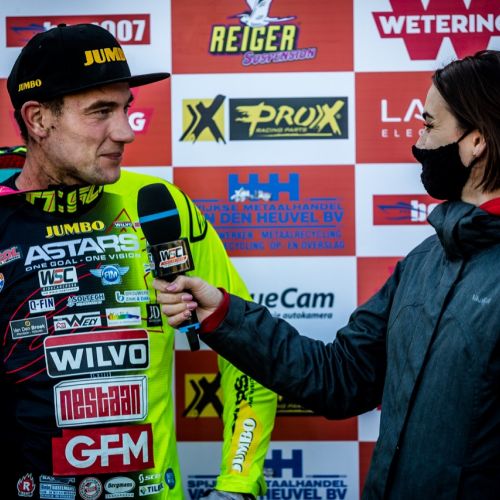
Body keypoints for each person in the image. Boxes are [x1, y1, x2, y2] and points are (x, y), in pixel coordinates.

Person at [154, 49, 500, 499]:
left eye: (430, 126)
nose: (418, 142)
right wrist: (222, 313)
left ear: (476, 143)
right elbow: (339, 378)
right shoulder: (424, 261)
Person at [0, 24, 276, 499]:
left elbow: (247, 351)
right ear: (38, 119)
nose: (126, 131)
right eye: (100, 112)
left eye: (125, 108)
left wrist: (238, 481)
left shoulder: (159, 207)